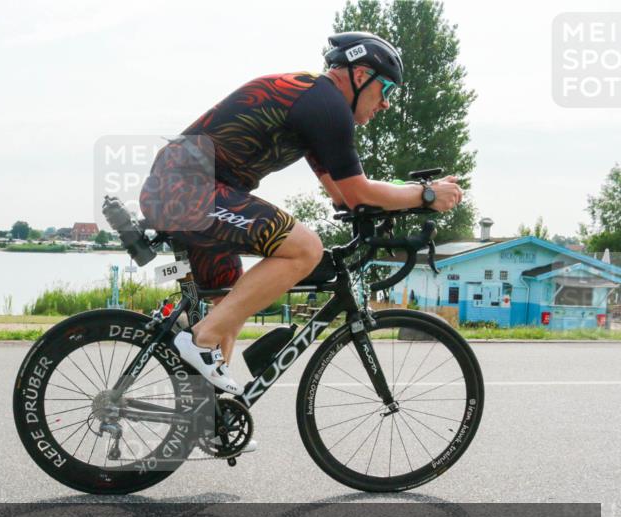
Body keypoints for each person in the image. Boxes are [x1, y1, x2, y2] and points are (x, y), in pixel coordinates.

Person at [140, 31, 463, 395]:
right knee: (306, 249)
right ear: (360, 75)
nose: (386, 103)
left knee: (229, 305)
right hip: (184, 189)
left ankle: (210, 413)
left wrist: (410, 197)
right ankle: (198, 341)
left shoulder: (315, 106)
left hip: (188, 189)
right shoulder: (324, 102)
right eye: (386, 89)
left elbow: (346, 197)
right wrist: (427, 194)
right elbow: (358, 192)